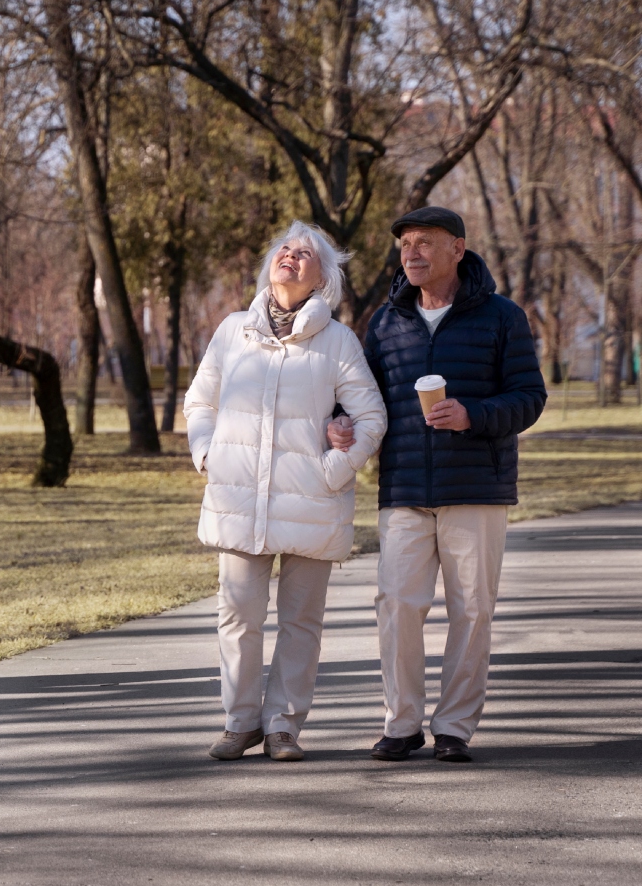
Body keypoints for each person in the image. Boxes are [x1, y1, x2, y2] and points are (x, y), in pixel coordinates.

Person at [330, 206, 546, 763]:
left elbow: (529, 397)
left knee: (472, 611)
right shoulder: (385, 322)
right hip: (403, 488)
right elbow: (360, 395)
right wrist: (341, 420)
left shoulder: (502, 316)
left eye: (425, 242)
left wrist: (472, 413)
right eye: (405, 245)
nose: (412, 253)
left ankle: (454, 728)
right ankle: (401, 724)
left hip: (477, 487)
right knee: (397, 605)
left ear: (458, 247)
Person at [185, 222, 386, 762]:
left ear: (324, 279)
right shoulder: (232, 331)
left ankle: (282, 727)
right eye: (285, 249)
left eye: (306, 254)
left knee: (301, 622)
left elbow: (370, 416)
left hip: (312, 499)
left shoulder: (338, 341)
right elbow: (200, 402)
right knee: (237, 615)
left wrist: (336, 468)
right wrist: (208, 453)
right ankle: (240, 723)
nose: (291, 257)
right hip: (239, 499)